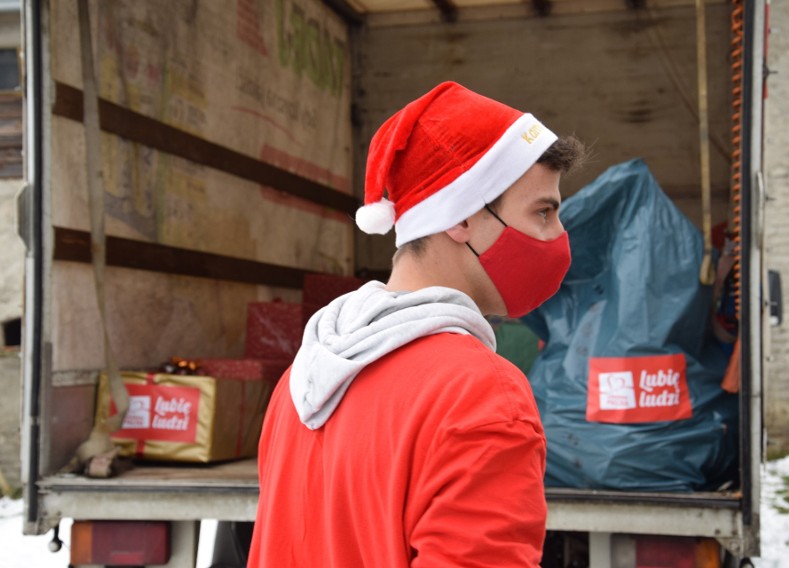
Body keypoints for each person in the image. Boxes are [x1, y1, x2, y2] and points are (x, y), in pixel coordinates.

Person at [247, 81, 584, 567]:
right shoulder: (483, 395)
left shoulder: (300, 383)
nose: (557, 236)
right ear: (462, 216)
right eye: (544, 212)